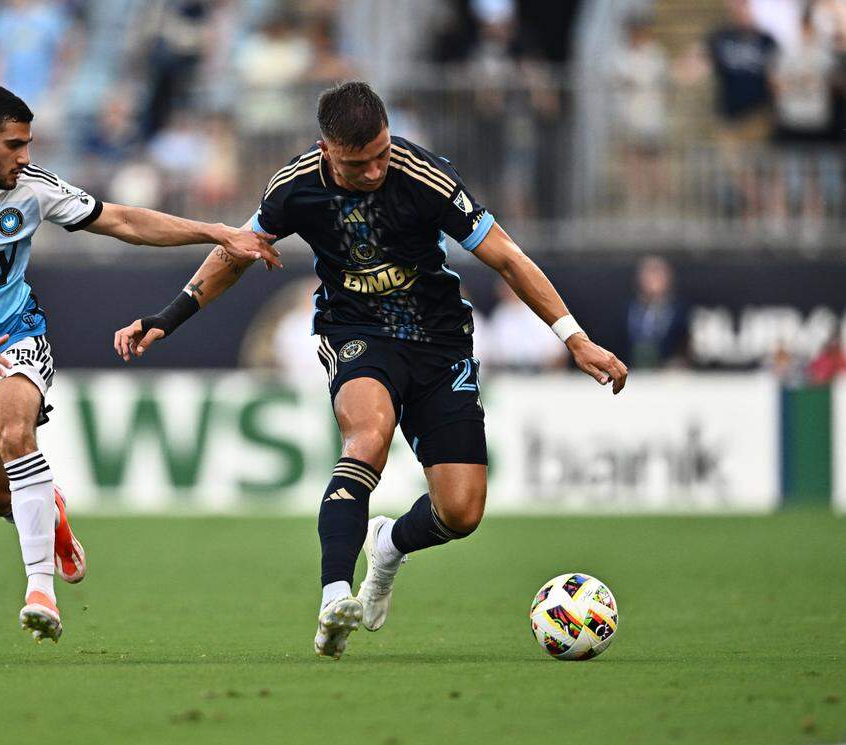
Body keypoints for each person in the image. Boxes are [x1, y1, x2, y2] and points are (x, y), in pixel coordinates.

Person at [113, 82, 627, 660]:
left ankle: (388, 545)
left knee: (461, 512)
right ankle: (335, 594)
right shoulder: (295, 186)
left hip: (439, 341)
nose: (377, 169)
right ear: (327, 150)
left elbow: (506, 255)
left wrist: (575, 338)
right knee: (368, 435)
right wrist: (168, 317)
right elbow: (235, 251)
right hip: (356, 331)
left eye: (382, 153)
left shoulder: (424, 177)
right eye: (360, 164)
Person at [0, 82, 278, 644]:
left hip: (14, 333)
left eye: (28, 144)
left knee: (16, 432)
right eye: (14, 145)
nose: (25, 157)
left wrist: (214, 231)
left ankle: (39, 591)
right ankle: (52, 516)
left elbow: (122, 221)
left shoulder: (32, 188)